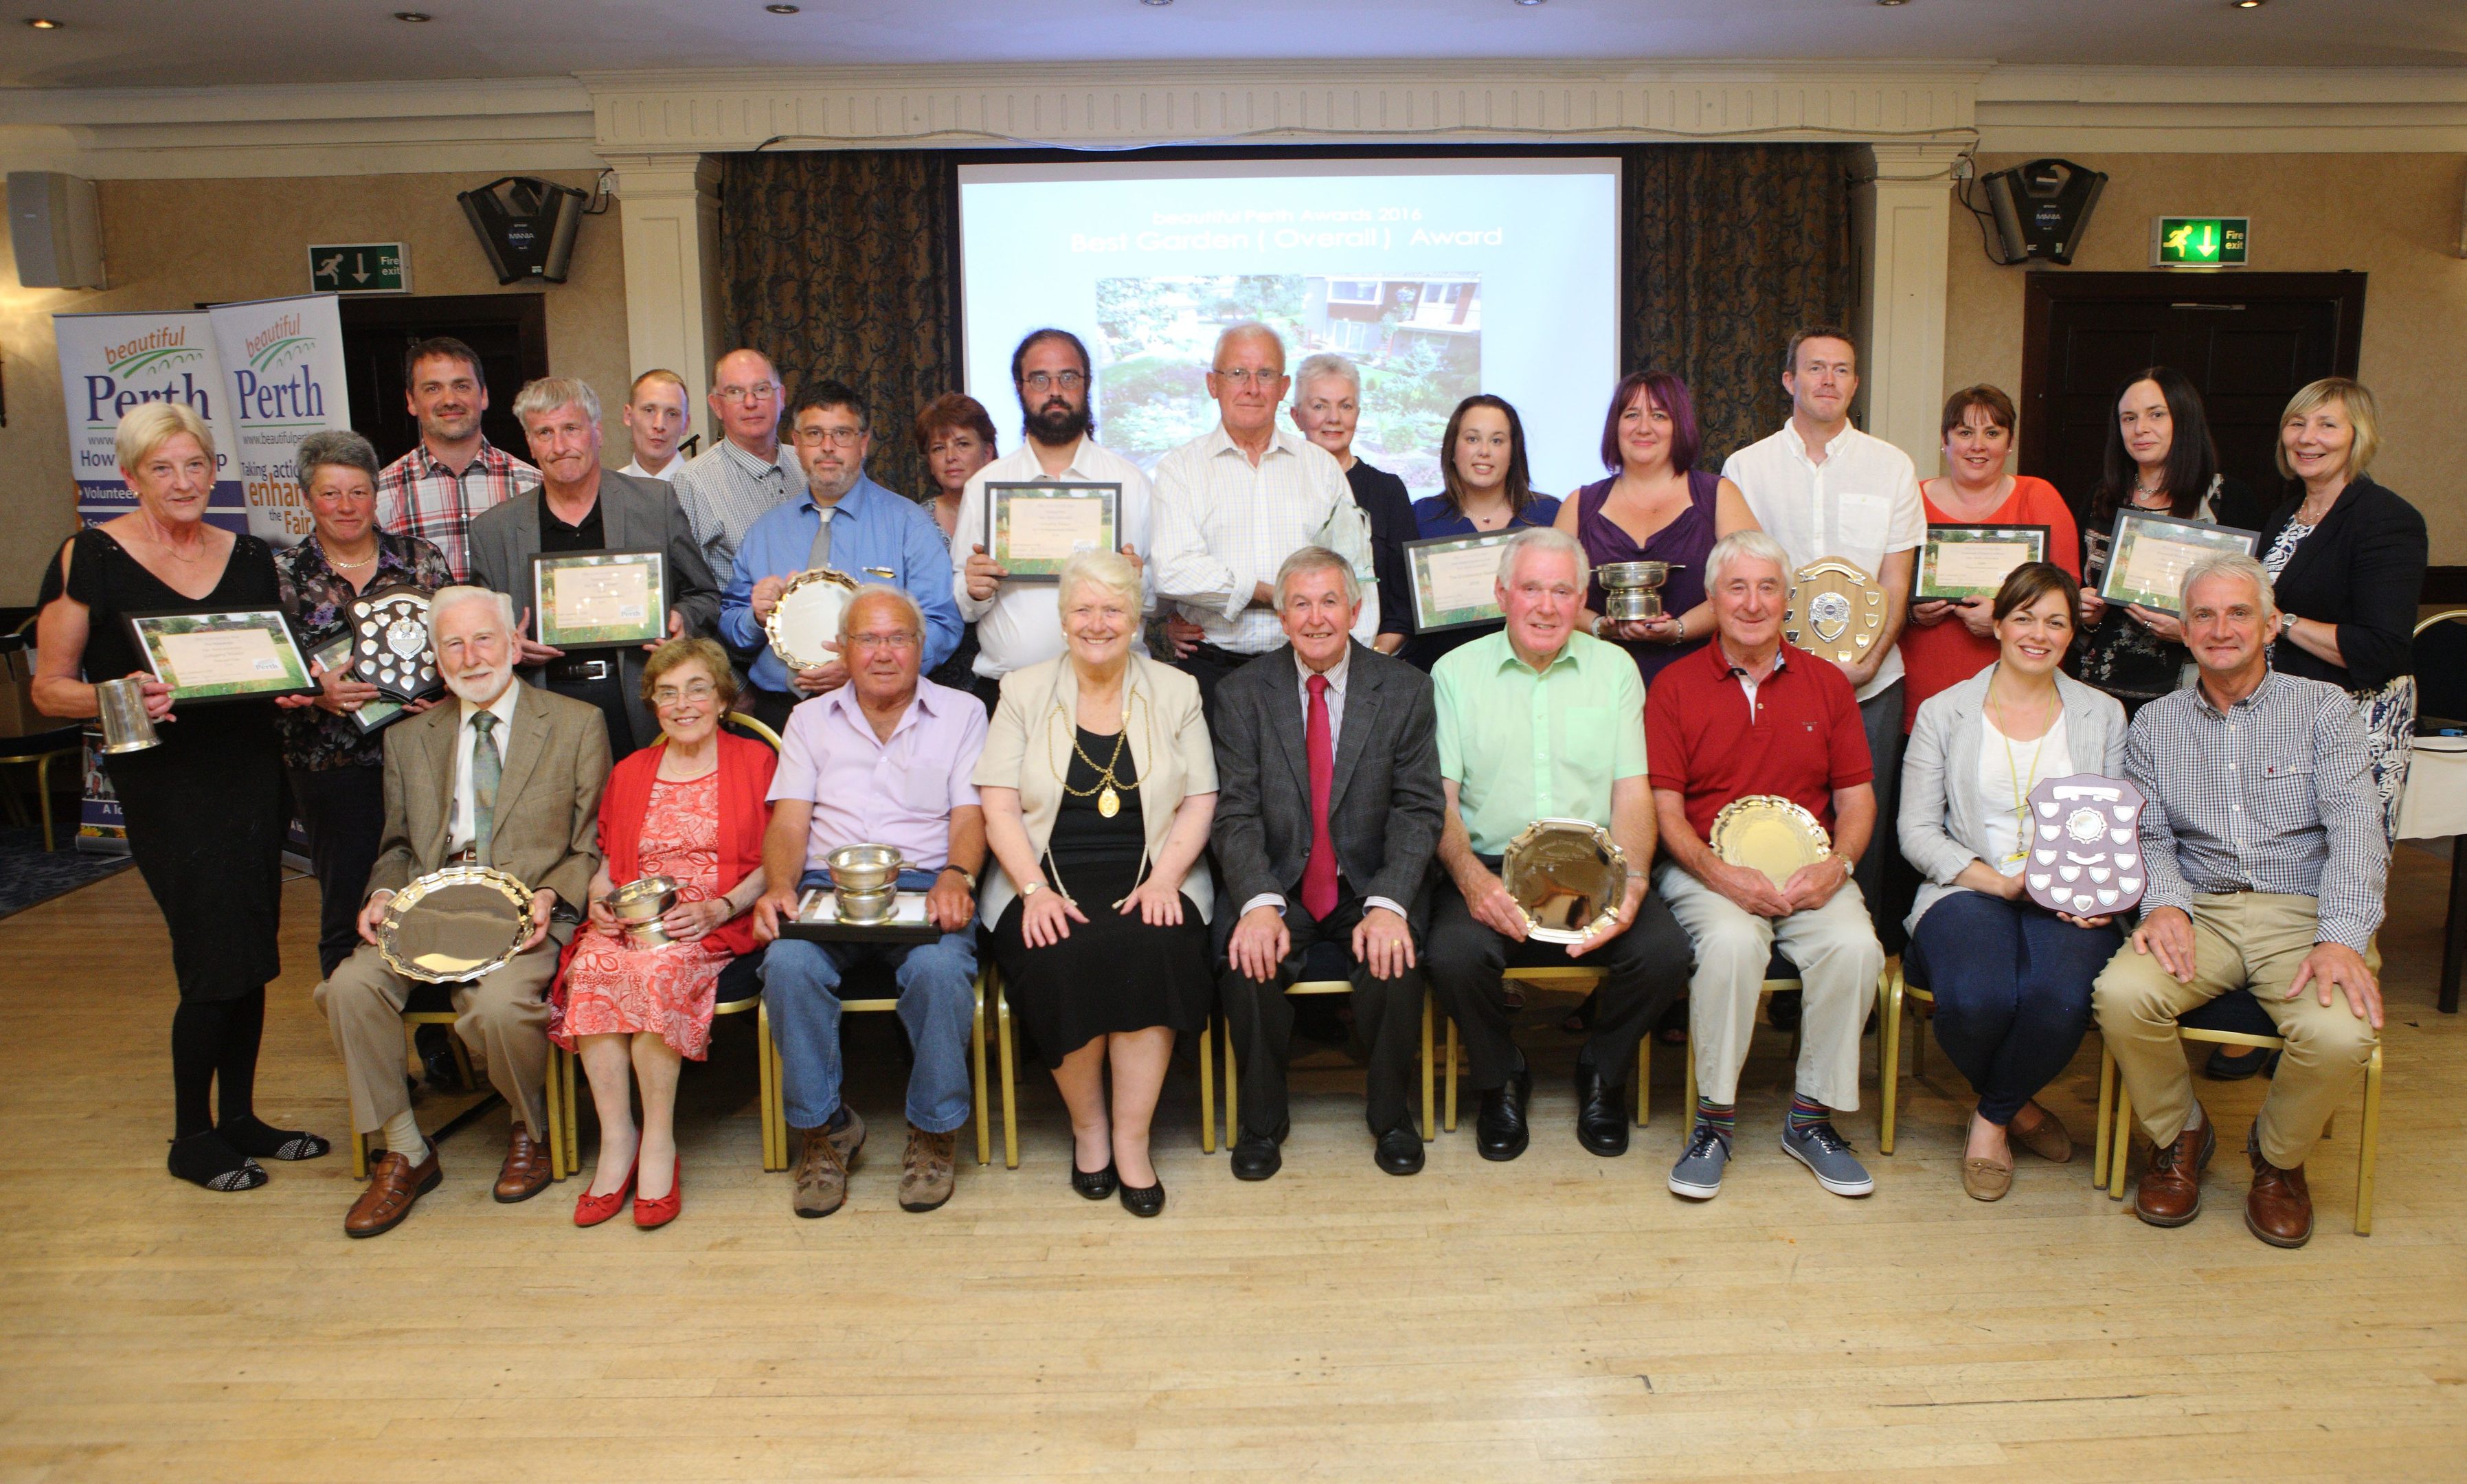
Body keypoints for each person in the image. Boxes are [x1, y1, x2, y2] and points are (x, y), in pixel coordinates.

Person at [33, 403, 328, 1193]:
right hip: (168, 782)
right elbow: (48, 689)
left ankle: (241, 1118)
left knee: (255, 948)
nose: (183, 481)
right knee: (210, 956)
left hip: (251, 772)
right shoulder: (87, 557)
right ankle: (191, 1136)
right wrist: (113, 693)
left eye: (195, 465)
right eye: (162, 468)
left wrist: (292, 691)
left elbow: (268, 662)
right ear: (130, 477)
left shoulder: (248, 555)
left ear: (214, 471)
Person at [2093, 554, 2385, 1248]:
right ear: (2184, 631)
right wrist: (2165, 903)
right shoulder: (2155, 724)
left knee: (2342, 1035)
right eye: (2204, 615)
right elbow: (2150, 832)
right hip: (2203, 910)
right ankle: (2181, 1133)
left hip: (2306, 915)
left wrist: (2341, 937)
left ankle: (2277, 1159)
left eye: (2239, 613)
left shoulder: (2325, 710)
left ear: (2271, 624)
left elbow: (2356, 828)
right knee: (2123, 994)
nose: (2221, 629)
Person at [313, 586, 610, 1237]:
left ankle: (529, 1126)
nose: (471, 657)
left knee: (498, 1007)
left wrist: (552, 895)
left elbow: (590, 842)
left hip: (529, 909)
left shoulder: (574, 723)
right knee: (349, 987)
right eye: (453, 643)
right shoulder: (409, 738)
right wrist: (384, 894)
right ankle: (405, 1150)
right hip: (433, 911)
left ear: (512, 640)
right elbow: (396, 845)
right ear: (436, 656)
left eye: (483, 639)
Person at [1426, 527, 1693, 1162]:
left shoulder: (1617, 670)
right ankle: (1500, 1076)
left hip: (1596, 866)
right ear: (1500, 594)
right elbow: (1437, 800)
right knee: (1453, 956)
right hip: (1490, 863)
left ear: (1582, 602)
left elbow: (1633, 792)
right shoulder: (1452, 673)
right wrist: (1470, 879)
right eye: (1530, 589)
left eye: (1562, 591)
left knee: (1663, 953)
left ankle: (1601, 1071)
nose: (1545, 606)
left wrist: (1630, 886)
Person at [1647, 530, 1887, 1202]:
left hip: (1810, 870)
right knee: (1729, 941)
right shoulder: (1674, 686)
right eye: (1737, 587)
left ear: (1788, 599)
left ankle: (1811, 1120)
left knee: (1856, 947)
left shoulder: (1828, 684)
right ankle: (1714, 1123)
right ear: (1714, 597)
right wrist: (1720, 875)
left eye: (1767, 587)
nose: (1752, 603)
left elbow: (1856, 800)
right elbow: (1665, 813)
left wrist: (1838, 866)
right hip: (1706, 871)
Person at [976, 550, 1218, 1217]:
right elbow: (997, 805)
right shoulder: (1022, 692)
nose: (1098, 623)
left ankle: (1133, 1141)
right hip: (1043, 878)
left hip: (1154, 876)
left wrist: (1168, 879)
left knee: (1154, 946)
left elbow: (1201, 799)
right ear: (1063, 620)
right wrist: (1033, 891)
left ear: (1136, 618)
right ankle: (1090, 1132)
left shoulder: (1176, 691)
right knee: (1062, 950)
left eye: (1113, 609)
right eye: (1083, 609)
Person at [752, 587, 989, 1219]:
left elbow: (971, 813)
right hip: (827, 890)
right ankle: (825, 1132)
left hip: (924, 884)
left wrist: (958, 874)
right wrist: (779, 886)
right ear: (843, 648)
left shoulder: (963, 712)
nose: (883, 653)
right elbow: (789, 822)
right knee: (787, 968)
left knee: (940, 972)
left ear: (922, 646)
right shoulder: (807, 720)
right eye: (868, 639)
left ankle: (935, 1133)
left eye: (898, 638)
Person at [1210, 547, 1445, 1179]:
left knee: (1394, 960)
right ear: (1282, 617)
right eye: (1300, 604)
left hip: (1367, 879)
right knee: (1246, 959)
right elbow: (1233, 813)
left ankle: (1391, 1116)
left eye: (1329, 602)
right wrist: (1258, 902)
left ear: (1356, 610)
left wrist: (1390, 902)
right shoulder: (1239, 694)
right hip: (1280, 879)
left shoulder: (1405, 689)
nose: (1316, 619)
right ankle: (1261, 1123)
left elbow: (1419, 810)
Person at [1898, 563, 2125, 1200]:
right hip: (1968, 886)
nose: (2038, 633)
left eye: (2055, 621)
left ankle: (1991, 1121)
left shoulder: (2102, 715)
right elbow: (1916, 834)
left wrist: (2094, 892)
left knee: (2058, 1001)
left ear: (2071, 634)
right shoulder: (1945, 712)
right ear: (1996, 624)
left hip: (2071, 896)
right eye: (2023, 617)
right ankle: (2023, 1110)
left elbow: (2113, 820)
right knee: (1976, 1000)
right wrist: (2000, 885)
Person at [556, 638, 776, 1230]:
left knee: (655, 971)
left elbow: (780, 858)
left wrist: (721, 907)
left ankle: (658, 1143)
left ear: (722, 698)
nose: (683, 705)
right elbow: (607, 860)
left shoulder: (756, 763)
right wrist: (600, 901)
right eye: (667, 693)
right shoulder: (631, 772)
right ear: (652, 703)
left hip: (713, 922)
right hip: (633, 919)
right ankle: (616, 1138)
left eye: (697, 689)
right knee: (592, 968)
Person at [1721, 327, 1921, 955]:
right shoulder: (1744, 467)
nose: (1828, 380)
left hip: (1870, 682)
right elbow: (1740, 577)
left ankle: (1860, 967)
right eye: (1815, 368)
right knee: (1775, 820)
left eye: (1841, 370)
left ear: (1855, 384)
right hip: (1771, 680)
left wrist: (1870, 659)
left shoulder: (1891, 466)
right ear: (1789, 380)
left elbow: (1897, 576)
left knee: (1865, 825)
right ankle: (1782, 960)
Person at [275, 429, 455, 982]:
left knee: (429, 892)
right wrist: (316, 692)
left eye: (357, 492)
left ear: (376, 495)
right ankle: (356, 1019)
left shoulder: (420, 561)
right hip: (332, 765)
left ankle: (433, 1034)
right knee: (348, 898)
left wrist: (445, 692)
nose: (345, 506)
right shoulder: (283, 576)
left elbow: (457, 642)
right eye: (330, 493)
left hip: (423, 752)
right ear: (306, 498)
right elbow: (269, 674)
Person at [466, 377, 722, 762]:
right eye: (545, 433)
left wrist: (681, 620)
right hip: (543, 706)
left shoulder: (654, 504)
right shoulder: (494, 530)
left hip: (638, 698)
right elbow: (477, 634)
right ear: (530, 444)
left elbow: (704, 595)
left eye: (571, 429)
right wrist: (508, 645)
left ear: (597, 433)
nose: (560, 446)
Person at [1150, 322, 1378, 718]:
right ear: (1212, 384)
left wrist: (1349, 669)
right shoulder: (1179, 469)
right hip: (1209, 670)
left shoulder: (1322, 469)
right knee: (1213, 782)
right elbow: (1173, 572)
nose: (1252, 387)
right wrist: (1266, 592)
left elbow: (1356, 577)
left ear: (1284, 386)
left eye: (1266, 374)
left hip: (1306, 671)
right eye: (1238, 373)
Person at [721, 381, 963, 732]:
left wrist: (865, 667)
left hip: (879, 711)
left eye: (842, 434)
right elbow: (730, 628)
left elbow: (942, 624)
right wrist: (755, 618)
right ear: (797, 442)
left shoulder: (909, 524)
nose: (828, 448)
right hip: (779, 715)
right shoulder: (765, 532)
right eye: (815, 434)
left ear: (863, 443)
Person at [2255, 377, 2426, 840]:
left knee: (2347, 863)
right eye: (2296, 423)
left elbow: (2379, 648)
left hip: (2352, 726)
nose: (2306, 438)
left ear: (2358, 437)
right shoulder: (2285, 517)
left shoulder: (2386, 519)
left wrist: (2282, 623)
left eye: (2326, 425)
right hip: (2285, 718)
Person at [951, 329, 1156, 708]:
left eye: (1068, 377)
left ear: (1087, 384)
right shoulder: (986, 486)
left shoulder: (1132, 483)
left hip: (1114, 692)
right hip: (1011, 696)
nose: (1055, 391)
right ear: (1020, 387)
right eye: (1040, 379)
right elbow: (963, 604)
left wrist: (1138, 580)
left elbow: (1158, 603)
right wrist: (974, 588)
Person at [2073, 366, 2264, 712]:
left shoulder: (2228, 499)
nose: (2140, 429)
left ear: (2184, 420)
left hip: (2195, 697)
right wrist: (2084, 612)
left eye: (2156, 415)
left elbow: (2253, 604)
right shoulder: (2102, 498)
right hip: (2100, 697)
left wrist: (2194, 630)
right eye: (2128, 418)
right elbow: (2079, 586)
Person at [1556, 370, 1758, 684]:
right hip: (1595, 683)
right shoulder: (1579, 504)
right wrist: (1599, 626)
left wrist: (1680, 629)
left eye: (1659, 416)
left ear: (1679, 426)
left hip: (1703, 682)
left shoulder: (1719, 496)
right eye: (1631, 414)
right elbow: (1552, 593)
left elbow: (1750, 589)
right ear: (1616, 426)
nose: (1643, 428)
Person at [1898, 385, 2080, 725]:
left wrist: (2004, 616)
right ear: (1945, 440)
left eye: (1992, 433)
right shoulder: (1910, 499)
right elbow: (1881, 586)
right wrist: (1912, 614)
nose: (1978, 445)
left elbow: (2067, 592)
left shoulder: (2038, 497)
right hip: (1926, 686)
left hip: (2021, 691)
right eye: (1965, 432)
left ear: (2009, 442)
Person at [1402, 394, 1562, 671]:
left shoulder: (1549, 516)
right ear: (1452, 450)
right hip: (1443, 677)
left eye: (1497, 440)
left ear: (1514, 452)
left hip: (1536, 674)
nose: (1484, 451)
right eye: (1472, 439)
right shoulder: (1420, 518)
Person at [374, 336, 540, 582]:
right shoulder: (381, 496)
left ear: (483, 395)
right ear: (411, 401)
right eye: (433, 388)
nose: (449, 400)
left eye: (461, 386)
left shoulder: (533, 486)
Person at [1287, 352, 1415, 657]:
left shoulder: (1388, 490)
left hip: (1372, 664)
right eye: (1320, 406)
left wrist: (1369, 659)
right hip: (1289, 665)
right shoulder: (1279, 486)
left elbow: (1407, 601)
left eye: (1345, 406)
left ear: (1357, 414)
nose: (1334, 418)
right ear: (1296, 416)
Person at [668, 349, 804, 575]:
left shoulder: (807, 465)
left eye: (761, 389)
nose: (750, 402)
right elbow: (688, 586)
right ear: (716, 406)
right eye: (735, 392)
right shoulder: (692, 482)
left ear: (781, 398)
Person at [914, 392, 998, 696]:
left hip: (1003, 674)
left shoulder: (1009, 515)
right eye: (939, 448)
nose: (951, 456)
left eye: (962, 444)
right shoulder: (915, 522)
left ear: (987, 453)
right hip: (933, 679)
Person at [618, 369, 692, 482]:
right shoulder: (606, 492)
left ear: (686, 424)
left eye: (672, 414)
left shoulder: (706, 488)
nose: (659, 425)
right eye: (649, 410)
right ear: (628, 416)